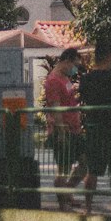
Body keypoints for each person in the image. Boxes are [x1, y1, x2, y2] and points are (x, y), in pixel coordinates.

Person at [78, 42, 111, 214]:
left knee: (92, 170)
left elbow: (83, 97)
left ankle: (88, 208)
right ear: (109, 57)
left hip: (92, 127)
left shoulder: (86, 78)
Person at [43, 48, 86, 209]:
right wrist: (60, 130)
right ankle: (63, 203)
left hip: (74, 129)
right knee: (64, 168)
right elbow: (55, 107)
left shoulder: (65, 78)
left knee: (84, 163)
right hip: (63, 130)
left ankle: (67, 192)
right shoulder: (54, 80)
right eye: (75, 64)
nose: (75, 69)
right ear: (67, 60)